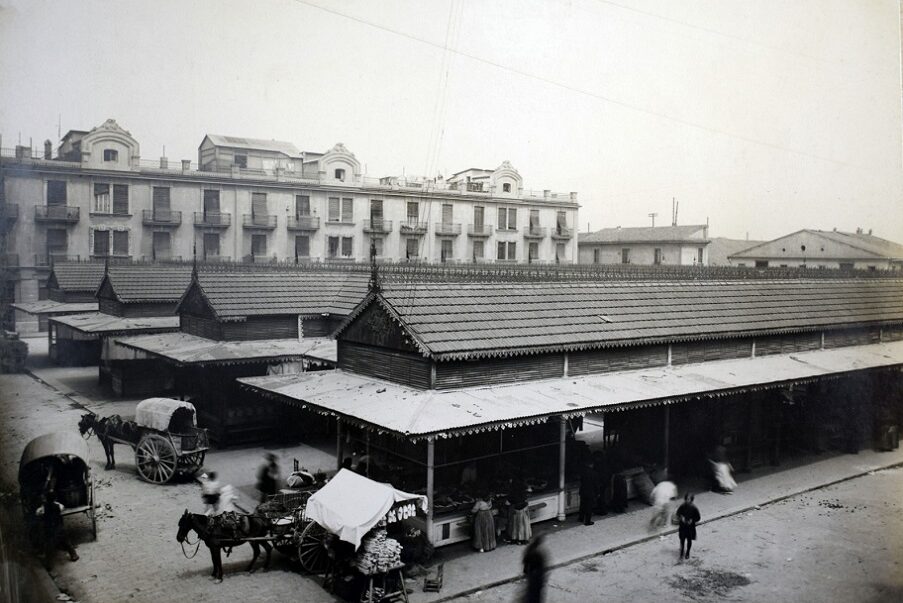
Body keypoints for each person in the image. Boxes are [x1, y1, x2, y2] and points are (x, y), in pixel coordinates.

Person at [36, 492, 78, 565]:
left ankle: (48, 564)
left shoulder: (43, 508)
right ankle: (74, 555)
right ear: (55, 499)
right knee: (67, 542)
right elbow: (62, 507)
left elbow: (37, 513)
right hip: (59, 527)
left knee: (48, 546)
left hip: (49, 529)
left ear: (45, 499)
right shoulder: (58, 506)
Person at [522, 533, 548, 603]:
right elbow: (542, 566)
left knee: (531, 594)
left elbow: (525, 560)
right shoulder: (538, 552)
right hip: (536, 576)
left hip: (532, 575)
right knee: (535, 595)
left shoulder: (530, 548)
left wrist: (525, 571)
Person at [675, 493, 701, 560]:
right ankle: (681, 552)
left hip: (690, 527)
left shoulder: (694, 508)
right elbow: (678, 513)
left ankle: (687, 553)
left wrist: (692, 520)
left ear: (691, 500)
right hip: (683, 526)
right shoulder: (682, 506)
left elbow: (698, 517)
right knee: (682, 540)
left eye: (689, 499)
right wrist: (682, 517)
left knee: (689, 540)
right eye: (686, 499)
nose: (687, 501)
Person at [507, 477, 532, 544]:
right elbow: (528, 493)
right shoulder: (524, 490)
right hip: (524, 509)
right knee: (524, 524)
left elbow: (508, 503)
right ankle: (525, 539)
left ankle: (518, 539)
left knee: (517, 525)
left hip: (517, 510)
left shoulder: (512, 493)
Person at [577, 460, 598, 526]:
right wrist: (597, 492)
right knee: (589, 507)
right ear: (591, 465)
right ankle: (587, 521)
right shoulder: (594, 473)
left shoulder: (582, 472)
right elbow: (596, 484)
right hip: (590, 492)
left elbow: (580, 480)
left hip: (583, 491)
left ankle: (581, 518)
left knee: (582, 505)